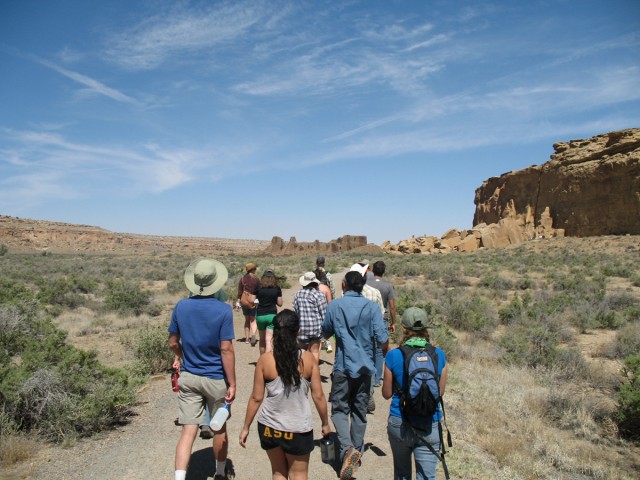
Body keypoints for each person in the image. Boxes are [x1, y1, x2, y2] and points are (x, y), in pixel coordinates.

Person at [239, 309, 332, 480]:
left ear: (275, 331)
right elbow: (318, 396)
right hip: (297, 429)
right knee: (298, 474)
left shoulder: (265, 360)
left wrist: (246, 427)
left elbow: (256, 397)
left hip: (269, 427)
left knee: (278, 472)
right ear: (298, 331)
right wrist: (325, 423)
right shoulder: (309, 359)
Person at [168, 258, 236, 480]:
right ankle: (219, 473)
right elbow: (226, 349)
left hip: (189, 376)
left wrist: (181, 356)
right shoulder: (223, 310)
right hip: (215, 378)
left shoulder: (181, 306)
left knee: (188, 430)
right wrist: (232, 382)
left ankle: (179, 477)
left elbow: (172, 343)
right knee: (219, 427)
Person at [322, 271, 389, 480]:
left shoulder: (335, 306)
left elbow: (325, 331)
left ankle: (347, 450)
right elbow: (382, 337)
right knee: (359, 412)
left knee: (339, 409)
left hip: (343, 366)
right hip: (366, 367)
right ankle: (355, 452)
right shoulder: (371, 307)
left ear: (343, 285)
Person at [381, 307, 449, 480]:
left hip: (400, 421)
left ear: (404, 329)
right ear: (426, 328)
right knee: (427, 476)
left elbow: (387, 394)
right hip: (429, 422)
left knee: (402, 474)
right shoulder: (439, 355)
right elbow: (439, 392)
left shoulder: (394, 355)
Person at [349, 262, 385, 413]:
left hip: (351, 335)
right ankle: (367, 394)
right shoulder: (374, 292)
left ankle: (351, 394)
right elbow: (381, 314)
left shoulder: (346, 294)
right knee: (369, 364)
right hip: (369, 335)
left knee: (351, 362)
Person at [366, 260, 397, 387]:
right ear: (383, 272)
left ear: (373, 271)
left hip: (367, 318)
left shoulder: (366, 283)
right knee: (380, 348)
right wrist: (393, 322)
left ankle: (368, 376)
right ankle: (377, 379)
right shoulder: (388, 286)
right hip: (382, 318)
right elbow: (392, 306)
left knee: (368, 346)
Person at [293, 271, 328, 364]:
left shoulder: (297, 294)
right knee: (315, 352)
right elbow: (324, 313)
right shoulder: (319, 294)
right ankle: (313, 373)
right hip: (316, 328)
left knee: (301, 352)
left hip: (302, 328)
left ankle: (302, 374)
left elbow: (296, 312)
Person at [256, 269, 283, 355]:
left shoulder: (258, 288)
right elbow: (280, 304)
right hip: (272, 315)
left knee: (262, 339)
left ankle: (262, 360)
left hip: (260, 315)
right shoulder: (277, 288)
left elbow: (252, 300)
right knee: (270, 339)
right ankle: (269, 360)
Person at [237, 262, 260, 346]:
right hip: (253, 302)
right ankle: (253, 335)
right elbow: (259, 291)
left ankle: (247, 338)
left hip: (244, 302)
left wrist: (238, 302)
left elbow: (240, 291)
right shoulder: (256, 279)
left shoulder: (242, 279)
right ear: (253, 269)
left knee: (247, 320)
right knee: (253, 320)